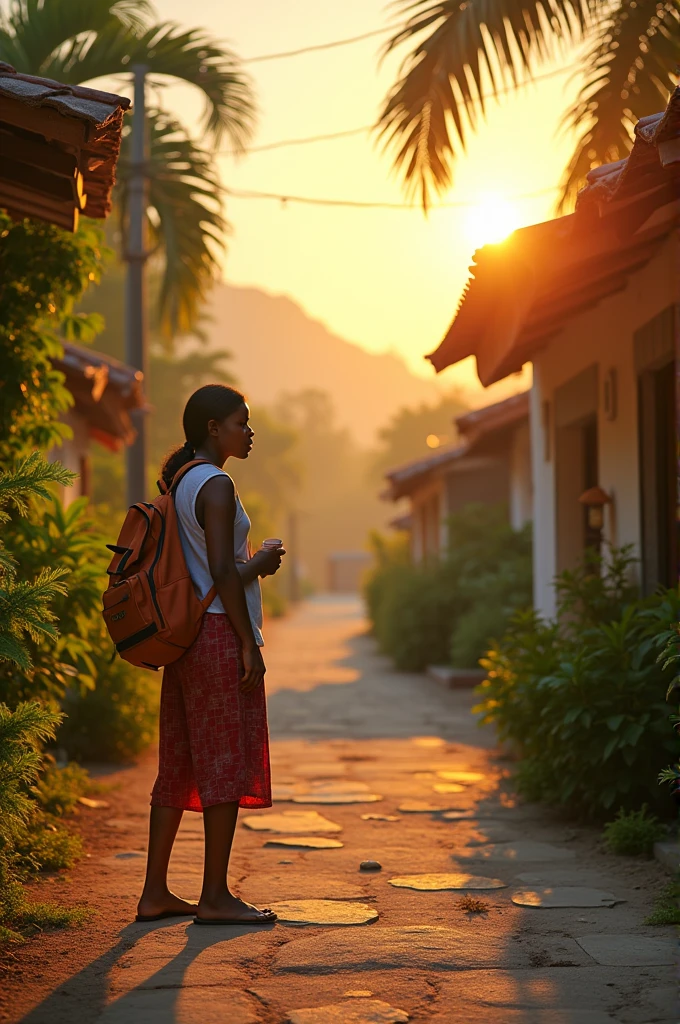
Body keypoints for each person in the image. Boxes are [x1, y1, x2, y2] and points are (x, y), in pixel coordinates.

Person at [136, 384, 285, 925]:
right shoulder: (216, 484)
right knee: (224, 761)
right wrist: (250, 634)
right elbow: (223, 573)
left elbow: (204, 569)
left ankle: (155, 891)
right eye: (241, 422)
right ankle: (215, 896)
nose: (249, 432)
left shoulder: (181, 481)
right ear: (213, 429)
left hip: (185, 640)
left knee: (177, 763)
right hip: (219, 634)